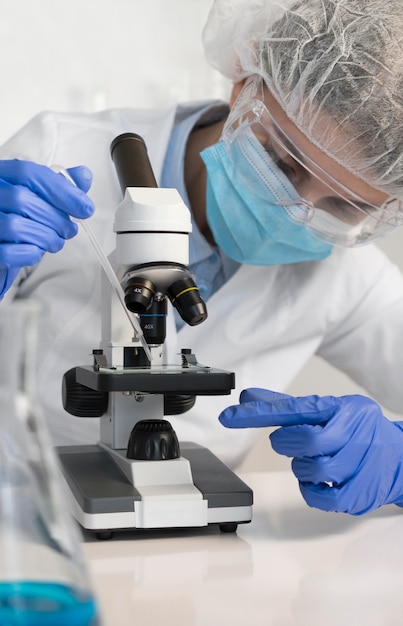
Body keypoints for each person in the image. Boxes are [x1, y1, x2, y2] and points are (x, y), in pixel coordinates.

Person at [2, 0, 403, 516]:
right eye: (282, 162)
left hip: (192, 564)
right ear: (243, 88)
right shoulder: (61, 157)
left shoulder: (350, 277)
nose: (295, 211)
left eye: (345, 206)